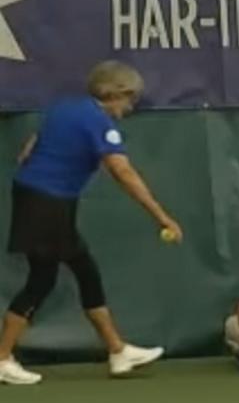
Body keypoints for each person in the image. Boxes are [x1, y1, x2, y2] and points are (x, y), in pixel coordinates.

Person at [0, 60, 183, 385]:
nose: (129, 108)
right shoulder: (98, 122)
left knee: (85, 271)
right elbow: (123, 172)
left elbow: (31, 145)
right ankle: (2, 358)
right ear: (114, 93)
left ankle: (117, 351)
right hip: (47, 202)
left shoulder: (65, 108)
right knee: (42, 280)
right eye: (129, 99)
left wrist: (38, 157)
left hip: (41, 198)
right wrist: (162, 216)